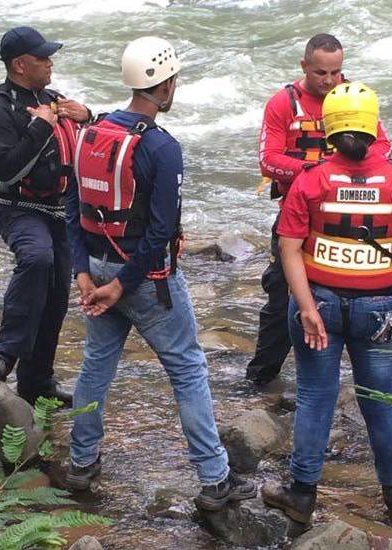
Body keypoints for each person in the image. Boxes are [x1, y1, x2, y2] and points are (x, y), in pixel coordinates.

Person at [63, 36, 256, 511]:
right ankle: (215, 479)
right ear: (166, 85)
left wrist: (84, 275)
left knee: (96, 364)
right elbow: (160, 231)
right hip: (145, 280)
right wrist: (120, 286)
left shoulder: (91, 131)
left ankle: (81, 464)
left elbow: (72, 208)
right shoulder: (161, 147)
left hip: (99, 269)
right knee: (188, 370)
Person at [261, 82, 392, 525]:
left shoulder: (309, 180)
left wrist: (304, 307)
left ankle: (301, 495)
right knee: (380, 396)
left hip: (317, 301)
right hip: (379, 308)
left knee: (315, 395)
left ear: (327, 131)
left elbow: (289, 247)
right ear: (374, 128)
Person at [247, 33, 392, 387]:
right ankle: (261, 378)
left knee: (359, 294)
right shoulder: (284, 104)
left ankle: (357, 377)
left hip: (345, 213)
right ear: (304, 67)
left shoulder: (354, 99)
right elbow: (269, 161)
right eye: (320, 74)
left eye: (335, 73)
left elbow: (383, 148)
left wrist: (337, 175)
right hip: (296, 212)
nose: (329, 82)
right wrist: (317, 174)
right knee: (283, 295)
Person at [0, 26, 93, 406]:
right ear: (20, 65)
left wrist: (89, 116)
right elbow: (7, 170)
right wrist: (42, 125)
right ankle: (5, 354)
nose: (50, 62)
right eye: (42, 58)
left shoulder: (54, 98)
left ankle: (37, 381)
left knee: (57, 291)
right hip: (17, 209)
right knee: (36, 257)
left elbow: (97, 144)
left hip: (60, 211)